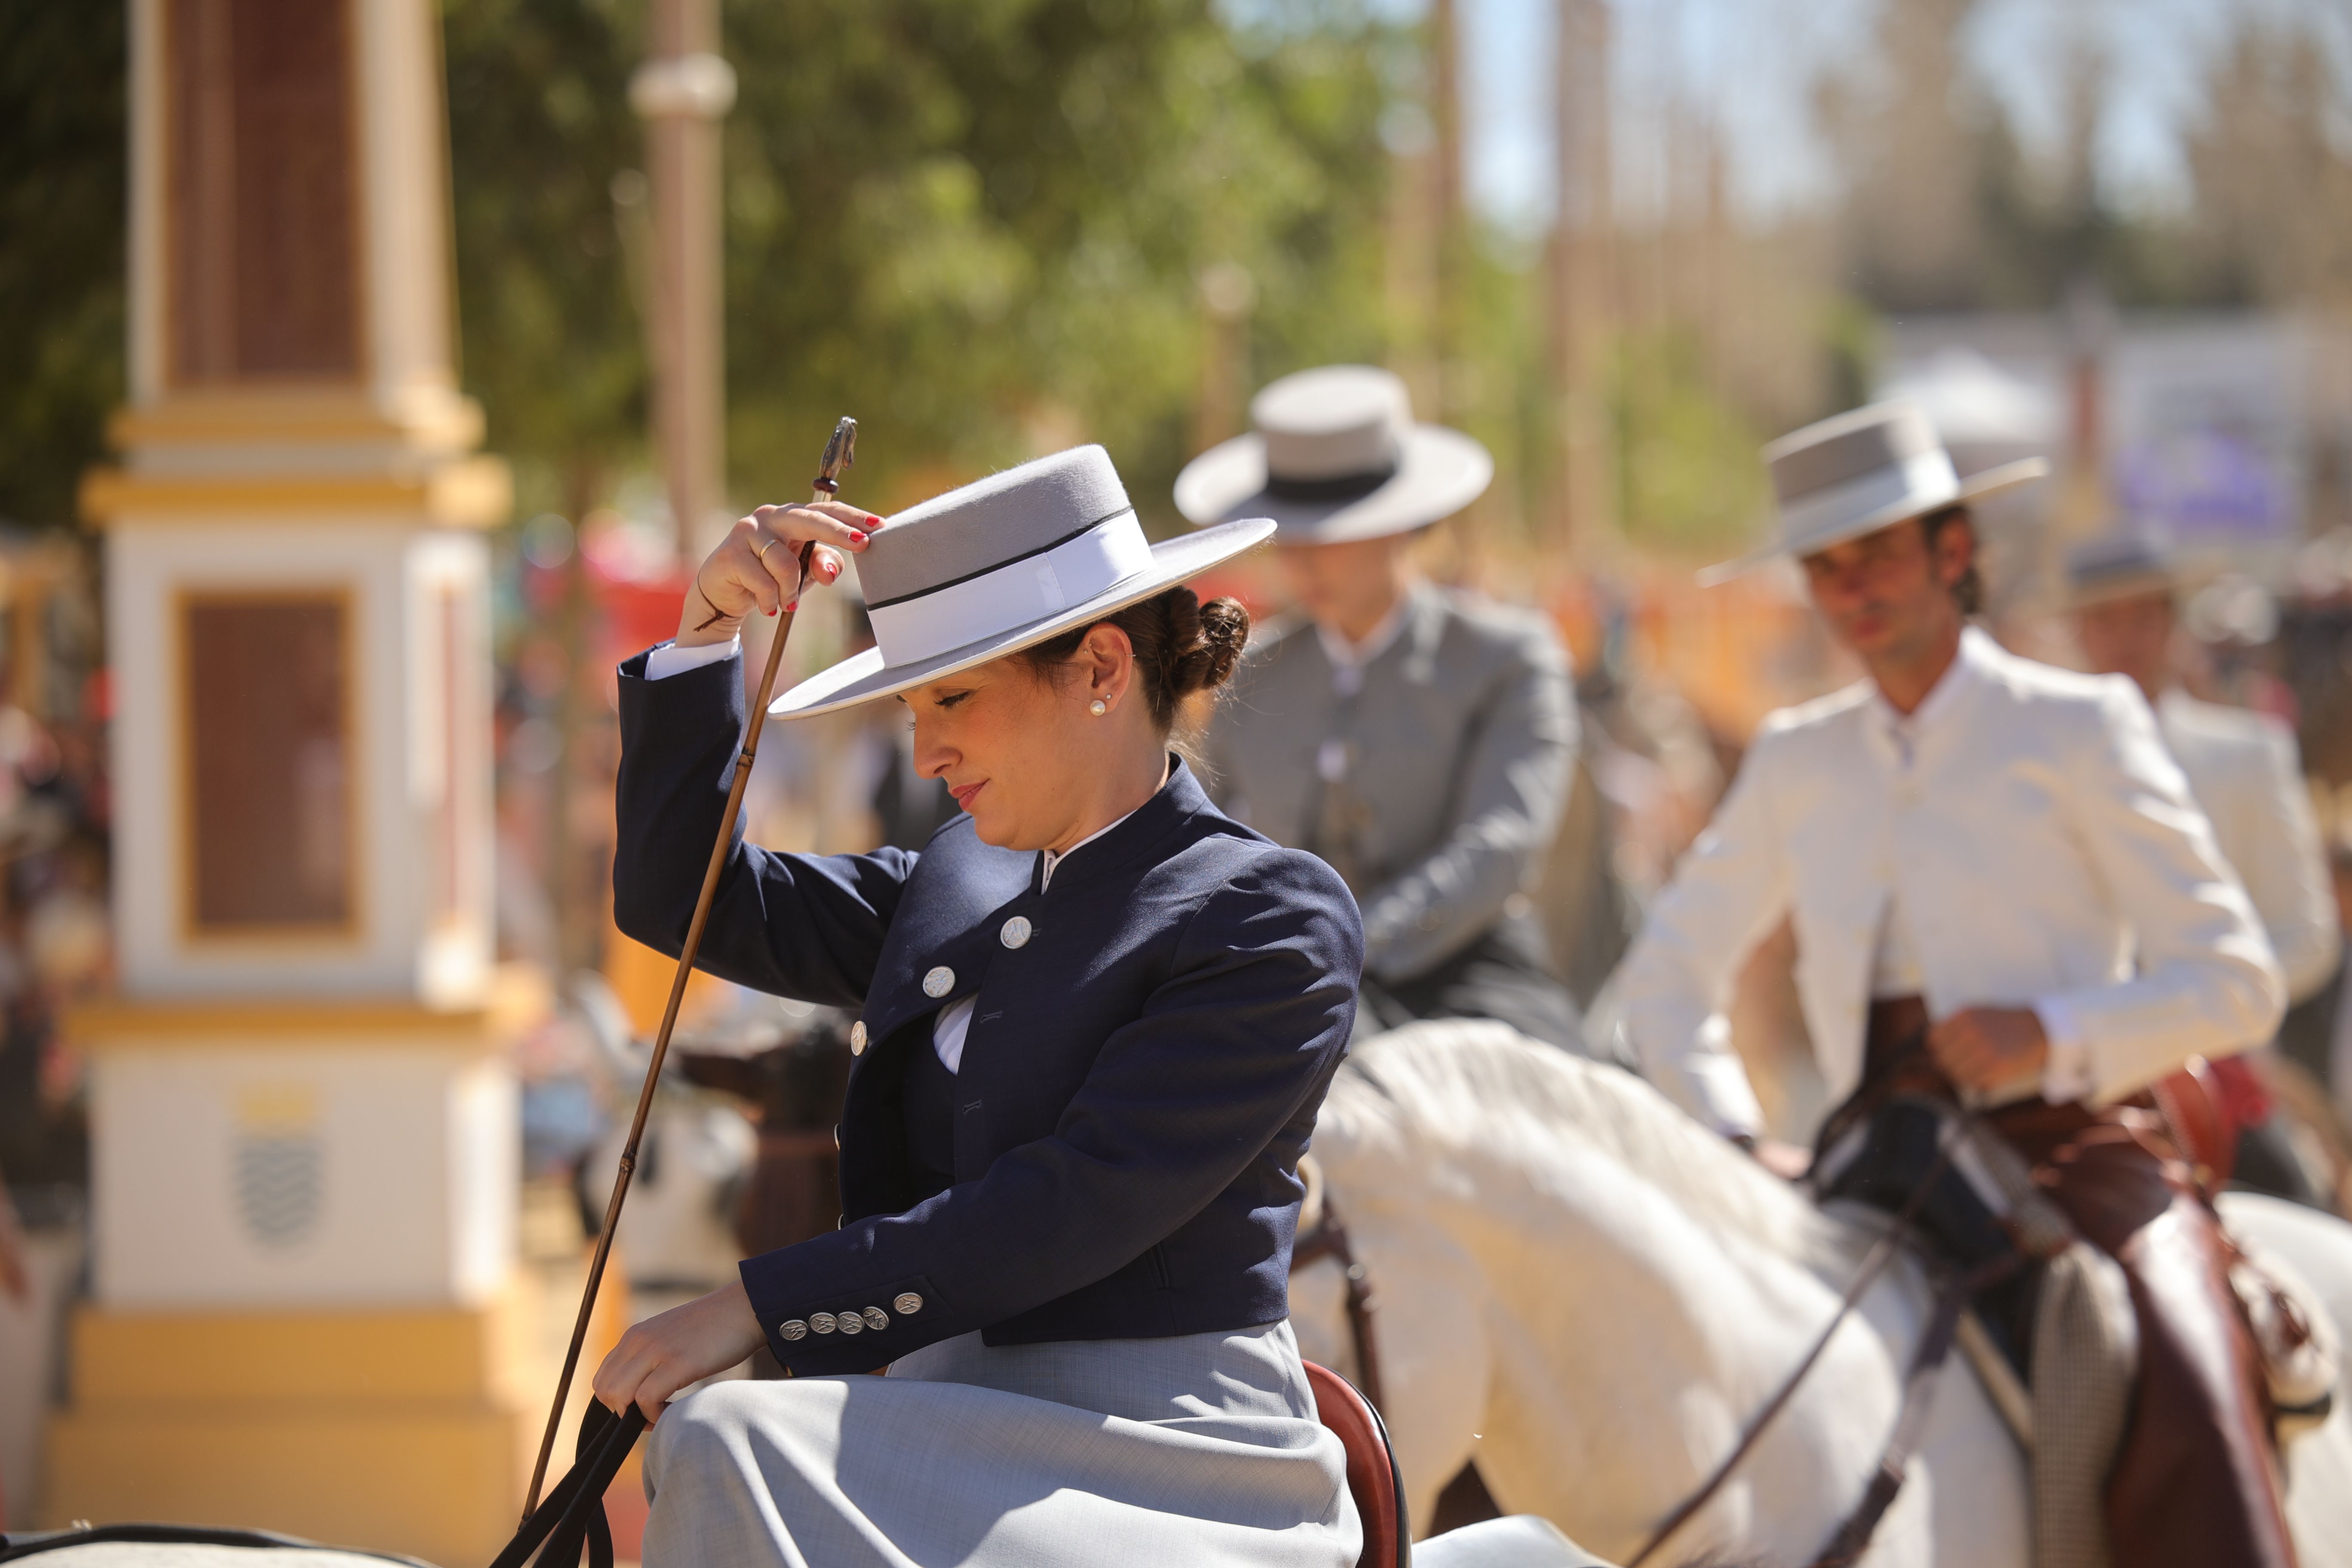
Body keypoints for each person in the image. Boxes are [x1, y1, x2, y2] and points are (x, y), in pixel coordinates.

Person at [595, 447, 1366, 1566]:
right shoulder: (950, 883)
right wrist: (704, 635)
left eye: (953, 698)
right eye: (912, 708)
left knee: (728, 1439)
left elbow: (1068, 1204)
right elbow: (684, 900)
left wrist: (756, 1305)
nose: (927, 748)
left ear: (1102, 666)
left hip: (1168, 1456)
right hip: (928, 1418)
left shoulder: (1268, 916)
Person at [1613, 401, 2294, 1568]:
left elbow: (2236, 981)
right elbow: (1666, 979)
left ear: (1955, 552)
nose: (1851, 587)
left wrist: (2052, 1034)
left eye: (1876, 552)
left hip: (2072, 1141)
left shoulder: (2082, 727)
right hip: (1866, 1154)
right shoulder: (1796, 757)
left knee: (2185, 1349)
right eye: (1825, 567)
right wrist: (1728, 1146)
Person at [1177, 364, 1582, 1049]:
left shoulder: (1507, 659)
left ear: (1404, 526)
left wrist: (1343, 946)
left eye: (1331, 533)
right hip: (1281, 974)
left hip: (1464, 974)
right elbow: (1207, 831)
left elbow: (1499, 845)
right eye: (1290, 535)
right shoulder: (1251, 672)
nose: (1303, 561)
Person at [2069, 531, 2343, 1204]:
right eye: (2105, 617)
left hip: (2223, 1088)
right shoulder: (2036, 766)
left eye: (2142, 614)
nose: (2125, 636)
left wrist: (2199, 1007)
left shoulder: (2247, 756)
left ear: (2170, 620)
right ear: (2079, 631)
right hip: (2076, 1076)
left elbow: (2309, 936)